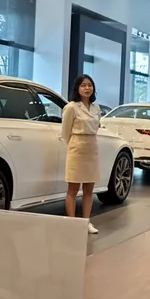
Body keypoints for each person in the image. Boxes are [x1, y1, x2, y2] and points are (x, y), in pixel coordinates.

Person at [61, 74, 101, 234]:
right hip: (77, 148)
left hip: (92, 148)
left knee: (89, 189)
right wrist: (73, 146)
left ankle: (86, 222)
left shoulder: (96, 108)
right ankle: (71, 223)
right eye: (83, 85)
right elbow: (65, 132)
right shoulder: (71, 107)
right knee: (73, 188)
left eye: (89, 85)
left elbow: (97, 127)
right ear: (77, 88)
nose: (87, 88)